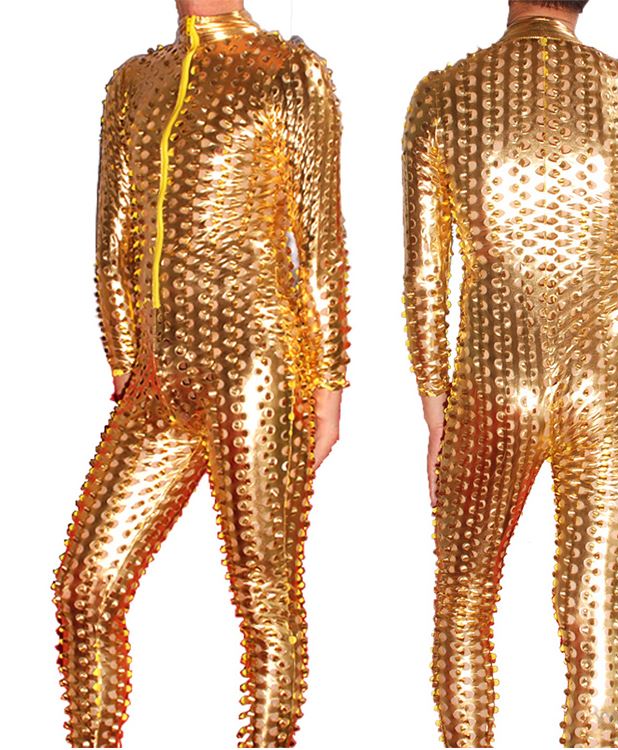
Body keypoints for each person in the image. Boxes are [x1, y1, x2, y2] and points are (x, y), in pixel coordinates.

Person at [50, 0, 350, 746]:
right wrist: (127, 361)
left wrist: (328, 383)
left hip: (260, 365)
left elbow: (320, 242)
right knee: (85, 589)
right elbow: (111, 245)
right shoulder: (134, 82)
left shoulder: (289, 71)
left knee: (265, 601)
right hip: (158, 377)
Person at [402, 0, 618, 746]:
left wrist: (435, 407)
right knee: (594, 613)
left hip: (490, 382)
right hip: (611, 389)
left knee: (463, 604)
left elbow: (426, 275)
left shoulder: (444, 95)